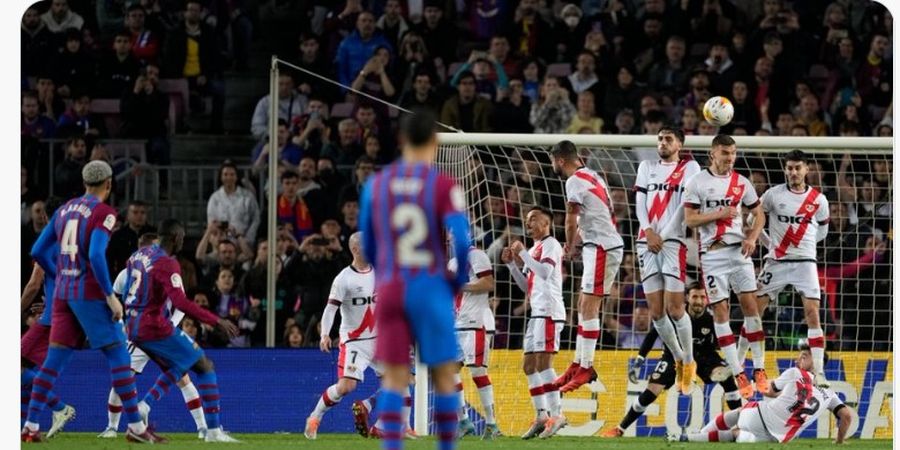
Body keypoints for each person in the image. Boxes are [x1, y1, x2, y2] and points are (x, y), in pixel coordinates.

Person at [25, 161, 163, 443]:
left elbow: (38, 250)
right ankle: (136, 427)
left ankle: (30, 426)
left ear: (84, 182)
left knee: (53, 362)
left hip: (62, 294)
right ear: (109, 184)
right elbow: (98, 255)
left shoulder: (63, 210)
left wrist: (60, 274)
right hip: (88, 294)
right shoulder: (104, 213)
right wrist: (111, 297)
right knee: (119, 356)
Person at [359, 109, 471, 450]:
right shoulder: (443, 185)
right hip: (430, 286)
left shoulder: (376, 184)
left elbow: (368, 242)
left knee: (394, 378)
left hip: (392, 288)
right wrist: (454, 282)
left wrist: (387, 274)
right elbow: (463, 241)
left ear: (402, 140)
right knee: (443, 376)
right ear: (435, 142)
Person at [120, 220, 241, 442]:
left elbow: (127, 289)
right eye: (183, 238)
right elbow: (181, 303)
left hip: (133, 326)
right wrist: (215, 321)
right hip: (153, 326)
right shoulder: (167, 263)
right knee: (204, 365)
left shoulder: (138, 256)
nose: (183, 242)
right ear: (176, 239)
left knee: (181, 364)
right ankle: (213, 432)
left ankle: (144, 409)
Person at [100, 234, 208, 439]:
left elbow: (180, 306)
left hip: (156, 333)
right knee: (124, 379)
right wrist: (123, 326)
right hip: (145, 334)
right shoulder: (128, 274)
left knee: (181, 378)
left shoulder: (144, 271)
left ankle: (202, 428)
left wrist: (169, 327)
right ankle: (112, 428)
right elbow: (114, 302)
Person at [682, 134, 766, 399]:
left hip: (739, 252)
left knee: (752, 309)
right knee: (721, 312)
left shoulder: (742, 182)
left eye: (733, 153)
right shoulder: (697, 182)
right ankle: (738, 370)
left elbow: (759, 213)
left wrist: (752, 237)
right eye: (724, 153)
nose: (729, 158)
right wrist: (720, 213)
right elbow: (690, 220)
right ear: (712, 154)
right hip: (712, 255)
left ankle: (760, 369)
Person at [602, 283, 743, 437]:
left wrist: (732, 362)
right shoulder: (675, 316)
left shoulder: (712, 320)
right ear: (687, 298)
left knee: (728, 379)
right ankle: (620, 428)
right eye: (695, 296)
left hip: (704, 356)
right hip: (674, 357)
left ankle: (741, 426)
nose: (699, 301)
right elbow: (652, 335)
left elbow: (725, 340)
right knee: (651, 391)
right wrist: (640, 359)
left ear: (707, 300)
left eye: (703, 297)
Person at [632, 127, 701, 395]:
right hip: (645, 240)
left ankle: (690, 360)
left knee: (675, 309)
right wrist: (648, 231)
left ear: (680, 144)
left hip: (672, 242)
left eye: (668, 139)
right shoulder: (646, 166)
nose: (663, 142)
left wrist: (663, 235)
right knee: (657, 312)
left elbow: (685, 207)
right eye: (660, 138)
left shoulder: (690, 168)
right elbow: (639, 203)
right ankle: (678, 358)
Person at [550, 141, 623, 394]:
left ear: (560, 160)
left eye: (553, 162)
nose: (553, 167)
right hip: (598, 246)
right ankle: (578, 362)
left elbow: (571, 221)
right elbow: (591, 216)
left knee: (590, 307)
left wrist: (569, 247)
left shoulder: (573, 182)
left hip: (603, 247)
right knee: (583, 305)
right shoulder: (592, 175)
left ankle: (587, 367)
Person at [753, 150, 830, 386]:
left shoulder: (818, 200)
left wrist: (805, 246)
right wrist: (770, 244)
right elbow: (753, 221)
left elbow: (823, 231)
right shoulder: (773, 195)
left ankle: (819, 372)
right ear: (785, 170)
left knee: (813, 314)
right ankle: (751, 365)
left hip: (805, 263)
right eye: (789, 168)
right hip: (776, 261)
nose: (793, 172)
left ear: (806, 169)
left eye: (798, 168)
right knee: (753, 312)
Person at [683, 345, 854, 443]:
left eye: (803, 356)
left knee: (737, 414)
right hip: (778, 438)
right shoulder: (830, 393)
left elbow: (770, 391)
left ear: (816, 361)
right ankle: (695, 439)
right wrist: (839, 441)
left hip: (760, 417)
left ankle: (694, 437)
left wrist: (754, 384)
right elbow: (846, 416)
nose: (797, 360)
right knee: (736, 435)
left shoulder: (795, 373)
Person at [304, 232, 380, 439]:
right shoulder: (344, 279)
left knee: (402, 379)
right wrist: (325, 335)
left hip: (380, 340)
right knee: (346, 387)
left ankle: (372, 414)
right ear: (355, 249)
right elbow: (331, 310)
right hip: (355, 342)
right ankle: (315, 416)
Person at [502, 207, 567, 439]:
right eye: (527, 220)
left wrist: (523, 255)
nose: (528, 223)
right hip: (536, 313)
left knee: (543, 364)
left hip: (549, 311)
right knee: (529, 366)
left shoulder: (551, 244)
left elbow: (546, 272)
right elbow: (525, 287)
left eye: (533, 219)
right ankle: (541, 415)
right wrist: (512, 265)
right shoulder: (533, 249)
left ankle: (557, 414)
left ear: (546, 223)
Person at [448, 244, 501, 440]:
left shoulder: (477, 255)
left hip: (475, 323)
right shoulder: (452, 263)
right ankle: (463, 421)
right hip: (456, 323)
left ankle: (491, 424)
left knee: (478, 373)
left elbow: (488, 283)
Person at [20, 263, 76, 439]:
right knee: (22, 374)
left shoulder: (47, 249)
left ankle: (60, 408)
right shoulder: (77, 252)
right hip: (66, 318)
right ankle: (28, 427)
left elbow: (33, 285)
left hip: (51, 319)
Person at [207, 161, 260, 244]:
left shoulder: (248, 196)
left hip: (243, 243)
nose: (229, 177)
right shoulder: (215, 198)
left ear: (236, 177)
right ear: (221, 177)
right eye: (225, 174)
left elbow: (255, 219)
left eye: (232, 174)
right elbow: (212, 223)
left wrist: (248, 240)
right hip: (221, 244)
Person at [107, 201, 156, 276]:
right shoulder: (118, 235)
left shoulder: (154, 234)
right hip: (124, 277)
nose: (139, 216)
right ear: (128, 216)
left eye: (143, 213)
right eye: (135, 212)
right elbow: (110, 260)